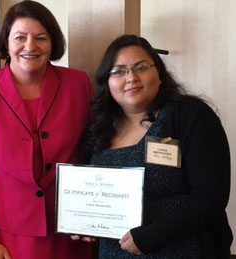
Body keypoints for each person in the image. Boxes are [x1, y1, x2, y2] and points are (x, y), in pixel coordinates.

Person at [85, 34, 233, 258]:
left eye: (141, 67)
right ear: (107, 81)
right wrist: (84, 221)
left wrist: (151, 236)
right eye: (118, 71)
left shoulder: (190, 116)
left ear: (160, 74)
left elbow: (210, 198)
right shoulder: (99, 129)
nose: (131, 77)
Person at [0, 1, 93, 259]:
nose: (30, 46)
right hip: (10, 237)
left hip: (71, 230)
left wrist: (93, 214)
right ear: (6, 43)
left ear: (53, 43)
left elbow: (94, 150)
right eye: (20, 37)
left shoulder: (78, 84)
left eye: (41, 38)